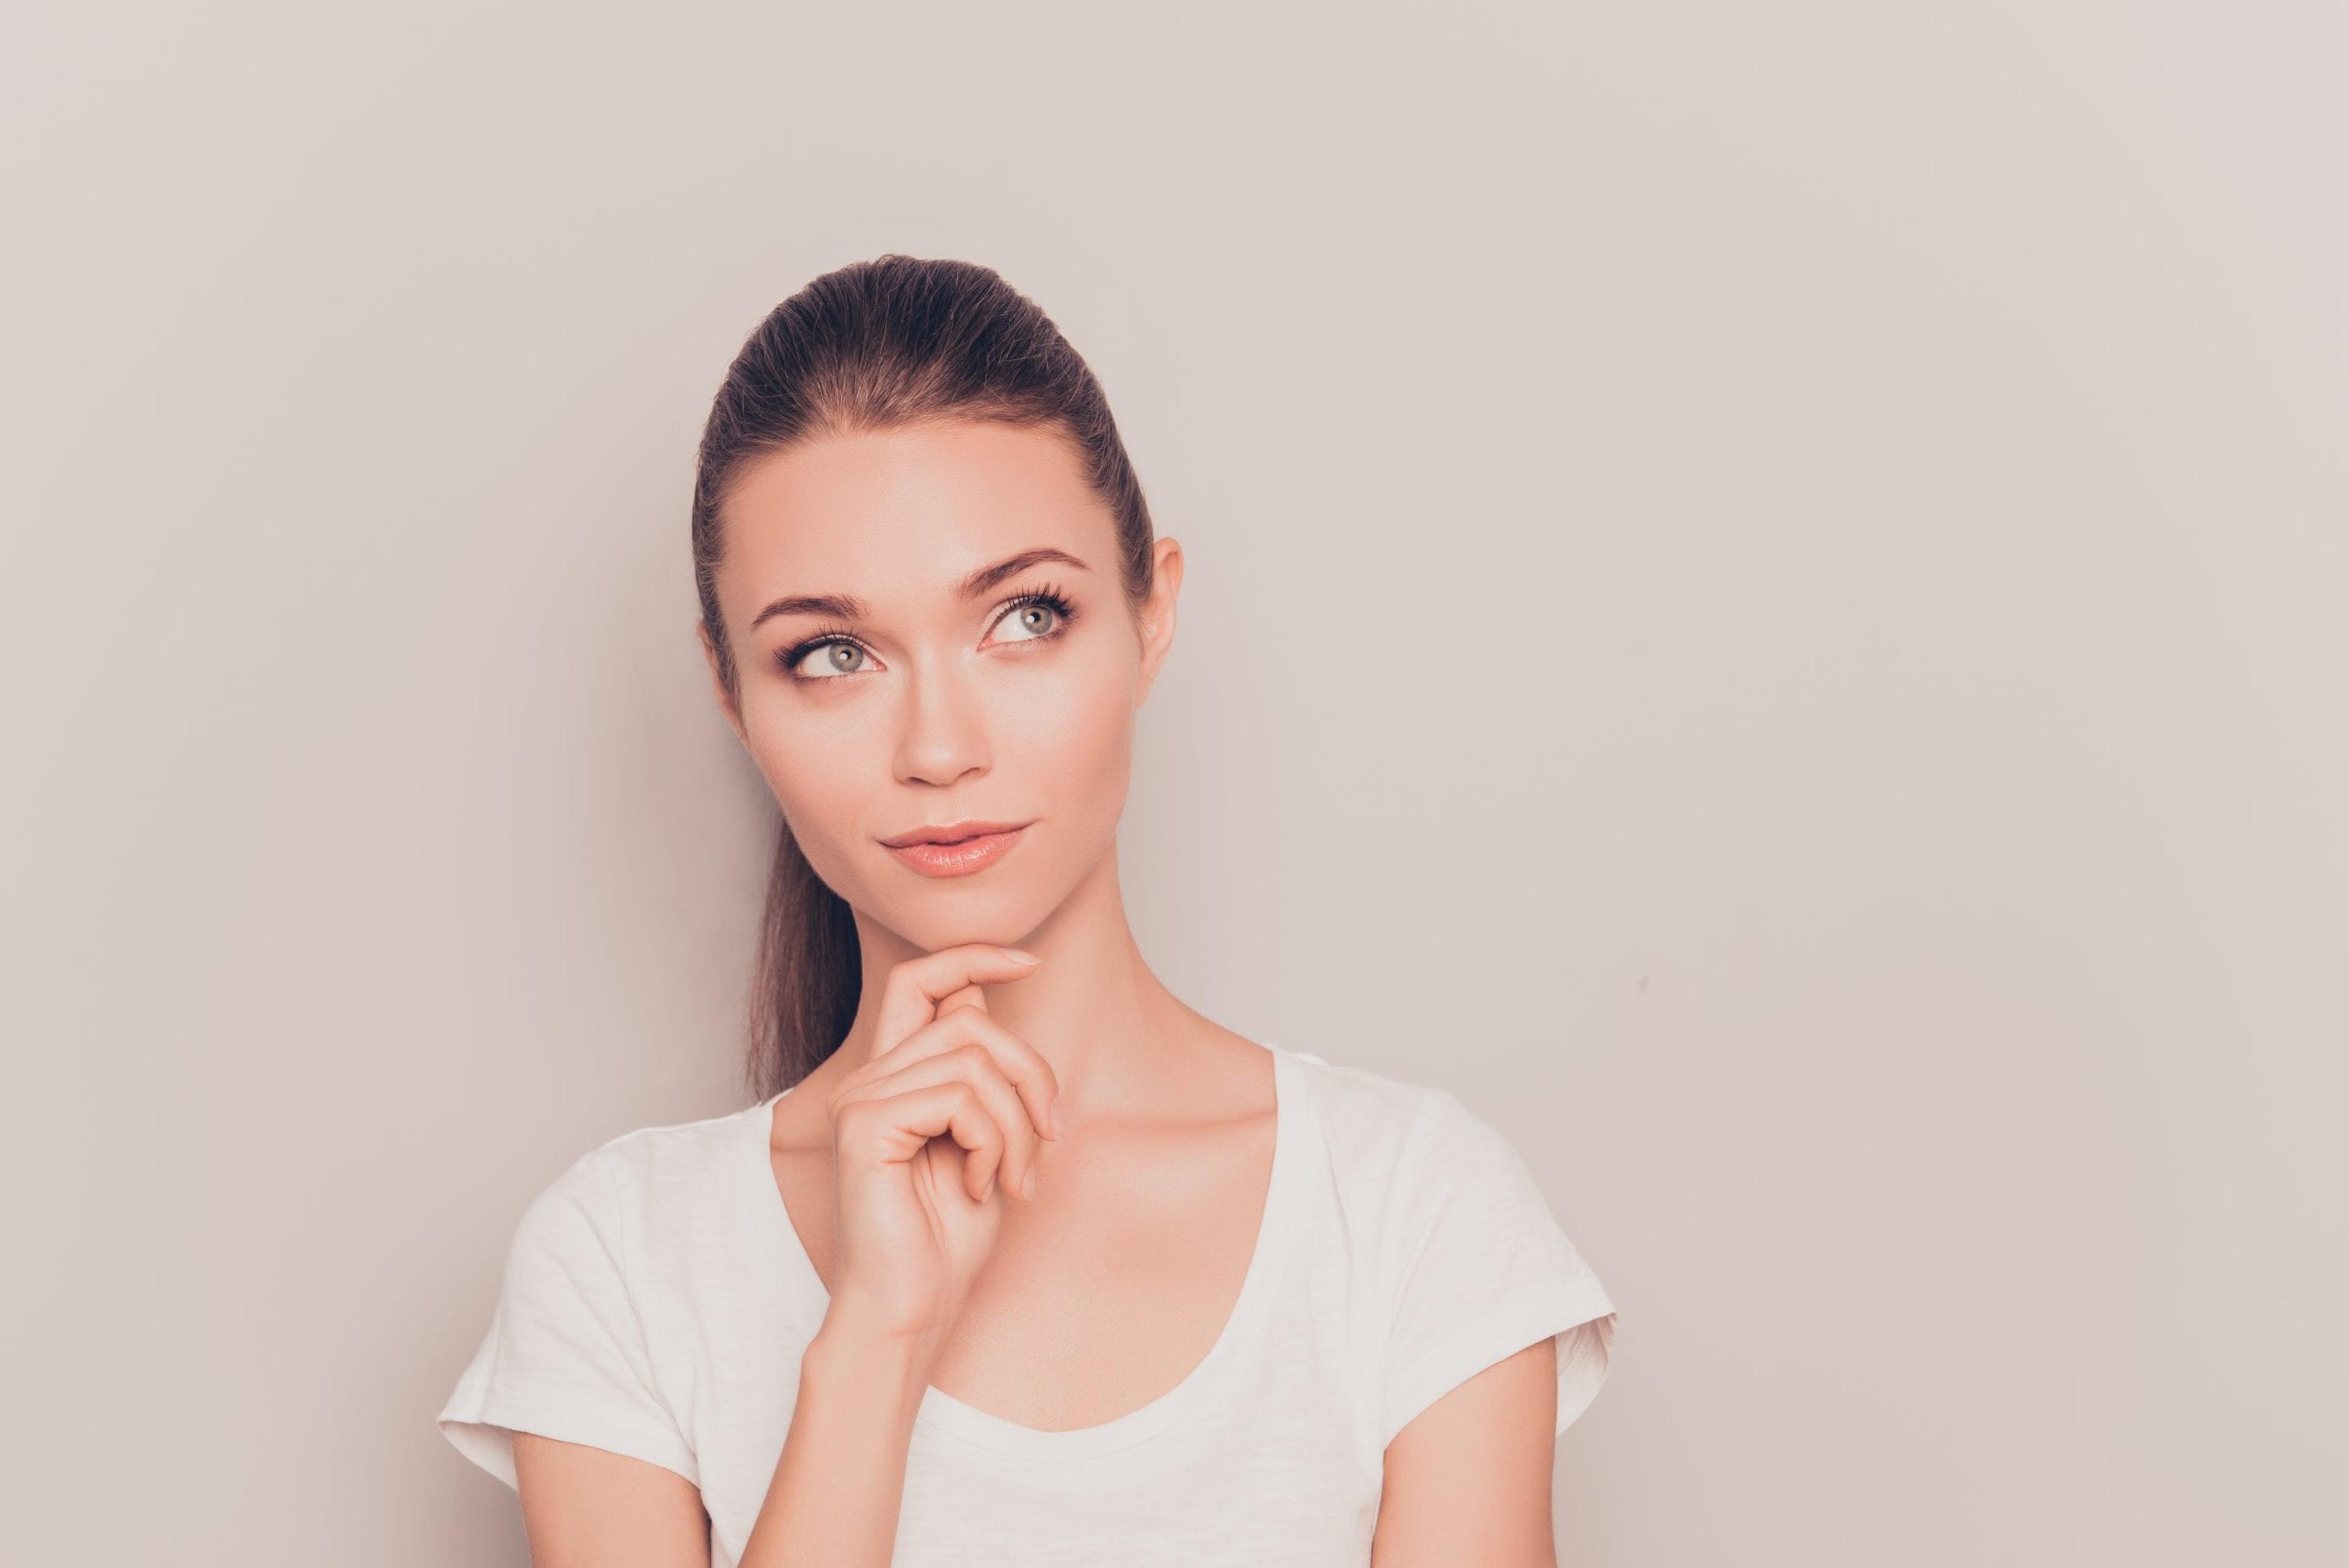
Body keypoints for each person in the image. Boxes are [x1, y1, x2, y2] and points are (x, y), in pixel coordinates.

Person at [436, 254, 1619, 1567]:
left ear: (1151, 613)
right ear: (731, 692)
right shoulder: (626, 1260)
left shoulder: (1409, 1215)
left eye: (1023, 616)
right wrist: (874, 1343)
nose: (939, 747)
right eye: (831, 654)